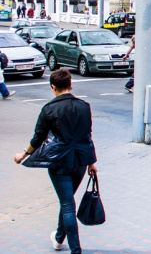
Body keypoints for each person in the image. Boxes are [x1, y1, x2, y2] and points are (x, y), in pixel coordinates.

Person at [14, 68, 98, 253]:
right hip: (80, 162)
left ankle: (76, 250)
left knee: (67, 205)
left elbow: (38, 138)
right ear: (70, 84)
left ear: (53, 87)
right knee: (67, 201)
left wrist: (23, 154)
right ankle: (59, 238)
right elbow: (87, 136)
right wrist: (91, 162)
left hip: (59, 161)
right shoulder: (84, 106)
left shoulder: (49, 109)